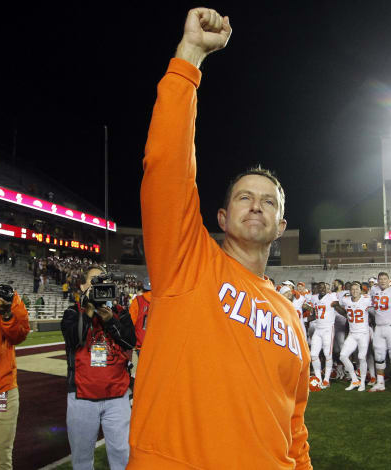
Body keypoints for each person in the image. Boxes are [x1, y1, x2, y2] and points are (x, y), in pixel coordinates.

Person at [128, 8, 311, 469]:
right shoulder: (186, 263)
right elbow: (167, 165)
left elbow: (295, 426)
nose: (256, 204)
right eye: (245, 197)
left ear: (281, 227)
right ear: (223, 218)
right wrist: (190, 57)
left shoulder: (290, 316)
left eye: (269, 202)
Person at [60, 266, 136, 470]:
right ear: (83, 285)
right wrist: (87, 312)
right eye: (94, 282)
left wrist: (110, 320)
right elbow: (73, 340)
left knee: (122, 455)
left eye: (103, 282)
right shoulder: (72, 312)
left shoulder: (120, 313)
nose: (98, 286)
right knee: (82, 457)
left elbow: (129, 342)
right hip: (82, 397)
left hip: (117, 396)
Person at [0, 247, 30, 470]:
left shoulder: (9, 299)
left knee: (1, 457)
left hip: (1, 391)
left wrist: (6, 314)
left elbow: (20, 335)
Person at [368, 272, 391, 394]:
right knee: (378, 356)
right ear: (377, 280)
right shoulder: (374, 290)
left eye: (385, 279)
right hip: (379, 327)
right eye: (380, 279)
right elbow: (372, 307)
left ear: (389, 280)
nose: (382, 281)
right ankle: (380, 383)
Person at [338, 282, 374, 391]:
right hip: (352, 333)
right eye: (352, 289)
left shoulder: (367, 299)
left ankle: (362, 382)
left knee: (362, 357)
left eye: (357, 289)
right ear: (350, 291)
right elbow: (342, 309)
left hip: (363, 333)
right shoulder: (345, 300)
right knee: (343, 356)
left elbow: (374, 311)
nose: (354, 291)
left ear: (360, 290)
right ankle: (354, 380)